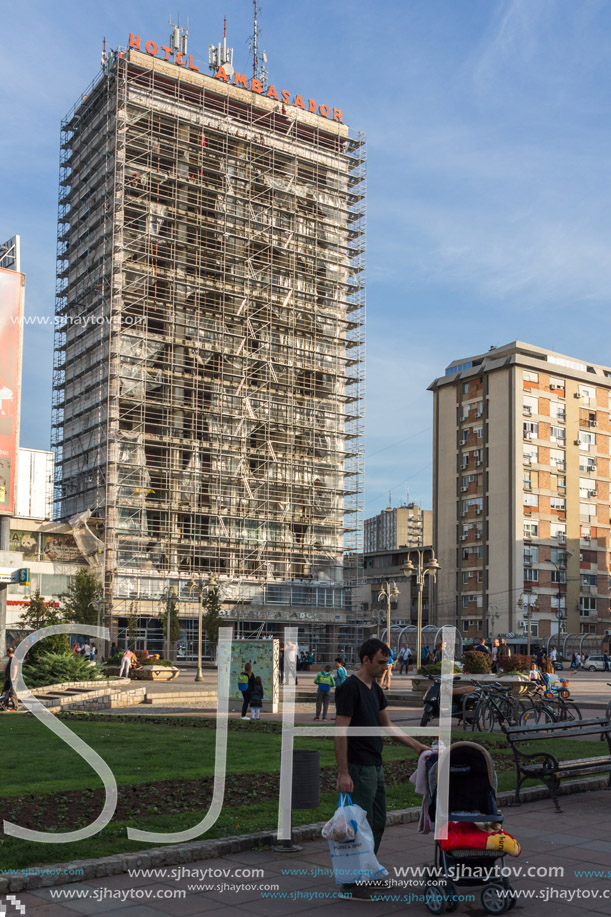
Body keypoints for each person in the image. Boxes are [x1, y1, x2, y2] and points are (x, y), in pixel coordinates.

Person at [335, 638, 429, 901]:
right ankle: (352, 884)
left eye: (387, 662)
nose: (385, 667)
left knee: (377, 822)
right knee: (358, 825)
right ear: (365, 660)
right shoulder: (349, 688)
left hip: (375, 764)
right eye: (380, 662)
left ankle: (368, 872)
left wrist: (416, 745)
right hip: (358, 767)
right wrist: (343, 772)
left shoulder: (375, 689)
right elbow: (340, 732)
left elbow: (387, 726)